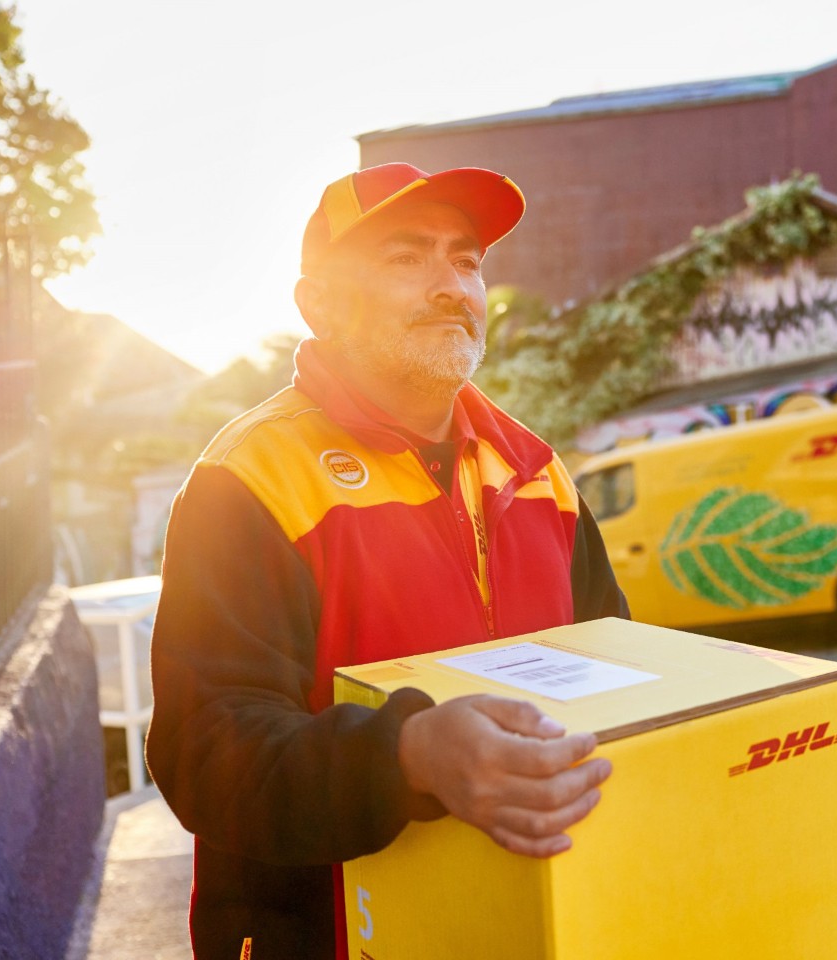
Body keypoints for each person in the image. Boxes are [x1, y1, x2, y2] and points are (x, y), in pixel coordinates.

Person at [146, 162, 629, 959]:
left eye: (466, 260)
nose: (450, 287)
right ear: (319, 304)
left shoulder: (540, 476)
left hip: (530, 929)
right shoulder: (249, 479)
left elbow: (624, 688)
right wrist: (408, 757)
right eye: (407, 257)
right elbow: (203, 751)